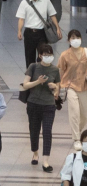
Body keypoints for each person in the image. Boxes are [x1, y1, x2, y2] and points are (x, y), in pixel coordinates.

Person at [21, 43, 59, 172]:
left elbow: (57, 91)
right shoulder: (33, 67)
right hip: (33, 104)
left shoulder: (55, 70)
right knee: (34, 130)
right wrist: (38, 81)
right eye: (45, 55)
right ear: (40, 55)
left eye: (50, 55)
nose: (48, 57)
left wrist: (54, 87)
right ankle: (35, 153)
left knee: (47, 132)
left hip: (49, 105)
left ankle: (46, 161)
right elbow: (25, 85)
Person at [16, 0, 62, 68]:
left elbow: (52, 15)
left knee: (43, 55)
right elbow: (21, 19)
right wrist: (19, 31)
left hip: (42, 32)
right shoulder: (24, 3)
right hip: (29, 33)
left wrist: (58, 28)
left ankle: (41, 76)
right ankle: (30, 78)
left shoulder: (45, 0)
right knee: (29, 57)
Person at [58, 30, 87, 151]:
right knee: (74, 112)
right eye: (73, 37)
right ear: (68, 40)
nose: (75, 39)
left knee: (84, 115)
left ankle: (78, 130)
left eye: (77, 37)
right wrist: (60, 86)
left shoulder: (86, 52)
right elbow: (61, 71)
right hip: (70, 86)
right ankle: (76, 139)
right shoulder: (65, 55)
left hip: (84, 86)